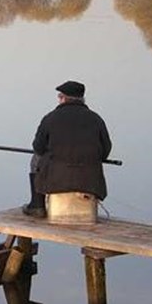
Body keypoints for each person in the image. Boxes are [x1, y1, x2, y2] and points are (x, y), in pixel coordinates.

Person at [23, 80, 112, 217]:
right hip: (90, 183)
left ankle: (37, 205)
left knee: (36, 158)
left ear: (63, 98)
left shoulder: (50, 118)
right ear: (82, 99)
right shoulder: (96, 119)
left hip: (56, 181)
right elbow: (106, 150)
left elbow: (38, 147)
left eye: (59, 97)